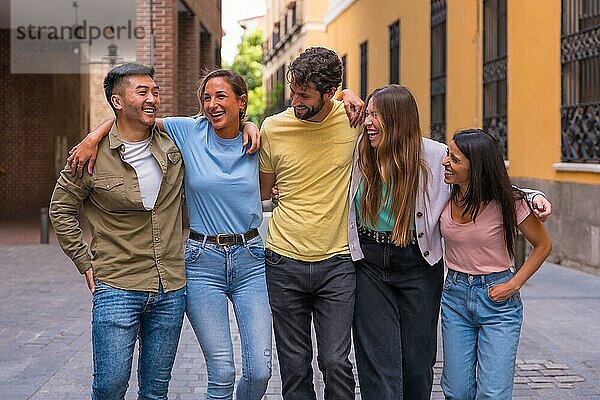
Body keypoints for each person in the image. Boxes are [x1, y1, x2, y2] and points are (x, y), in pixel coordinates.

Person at [69, 68, 272, 400]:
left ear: (241, 101)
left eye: (221, 96)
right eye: (206, 98)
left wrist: (250, 125)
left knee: (260, 371)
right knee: (221, 371)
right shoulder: (190, 131)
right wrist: (92, 138)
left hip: (251, 259)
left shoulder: (259, 138)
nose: (212, 104)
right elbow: (132, 122)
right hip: (201, 259)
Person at [347, 84, 552, 400]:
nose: (368, 122)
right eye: (368, 113)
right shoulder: (360, 150)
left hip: (418, 263)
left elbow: (485, 178)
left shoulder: (437, 156)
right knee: (377, 361)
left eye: (376, 115)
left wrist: (533, 197)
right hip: (371, 261)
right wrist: (345, 93)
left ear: (397, 119)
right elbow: (320, 107)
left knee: (418, 363)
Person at [49, 63, 187, 399]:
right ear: (117, 101)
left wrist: (250, 125)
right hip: (117, 286)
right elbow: (61, 208)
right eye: (142, 92)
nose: (153, 98)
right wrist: (84, 261)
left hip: (169, 286)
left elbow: (220, 122)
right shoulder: (90, 157)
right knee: (110, 387)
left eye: (155, 91)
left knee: (156, 391)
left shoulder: (174, 145)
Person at [259, 47, 364, 400]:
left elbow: (403, 132)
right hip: (282, 259)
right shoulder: (273, 127)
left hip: (337, 261)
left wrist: (353, 94)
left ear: (331, 92)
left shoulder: (354, 122)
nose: (295, 101)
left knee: (335, 361)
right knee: (294, 364)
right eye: (293, 91)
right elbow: (263, 188)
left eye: (304, 95)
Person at [439, 128, 551, 399]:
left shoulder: (507, 203)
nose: (445, 162)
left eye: (454, 159)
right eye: (447, 154)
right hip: (454, 297)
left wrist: (513, 284)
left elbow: (543, 246)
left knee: (493, 394)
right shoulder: (443, 192)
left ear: (476, 167)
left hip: (497, 301)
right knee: (456, 391)